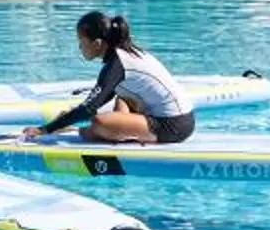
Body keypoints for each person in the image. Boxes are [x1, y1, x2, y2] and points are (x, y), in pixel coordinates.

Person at [24, 10, 195, 146]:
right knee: (121, 99)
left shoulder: (117, 65)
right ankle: (118, 129)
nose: (79, 47)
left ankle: (95, 131)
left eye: (81, 42)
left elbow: (89, 109)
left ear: (97, 43)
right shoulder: (124, 54)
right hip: (176, 116)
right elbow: (99, 99)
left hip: (173, 126)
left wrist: (45, 129)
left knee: (98, 124)